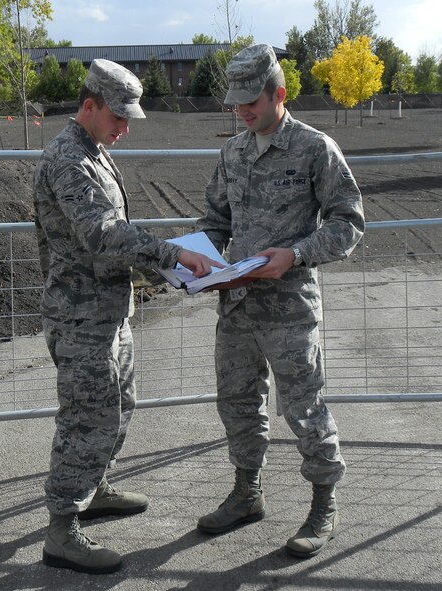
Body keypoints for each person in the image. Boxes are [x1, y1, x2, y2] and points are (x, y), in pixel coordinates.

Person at [33, 58, 221, 575]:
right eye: (118, 117)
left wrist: (163, 265)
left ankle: (94, 487)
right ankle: (62, 529)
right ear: (88, 106)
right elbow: (101, 234)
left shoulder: (94, 151)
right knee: (86, 417)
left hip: (109, 311)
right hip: (79, 318)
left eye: (129, 119)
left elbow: (112, 236)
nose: (125, 128)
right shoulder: (68, 160)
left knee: (120, 404)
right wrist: (173, 255)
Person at [195, 44, 364, 558]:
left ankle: (323, 504)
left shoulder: (315, 149)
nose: (243, 112)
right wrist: (197, 258)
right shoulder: (233, 152)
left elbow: (349, 223)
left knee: (304, 407)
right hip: (238, 306)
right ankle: (247, 493)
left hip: (290, 308)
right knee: (238, 403)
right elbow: (215, 220)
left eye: (252, 101)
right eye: (236, 103)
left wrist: (295, 253)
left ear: (280, 94)